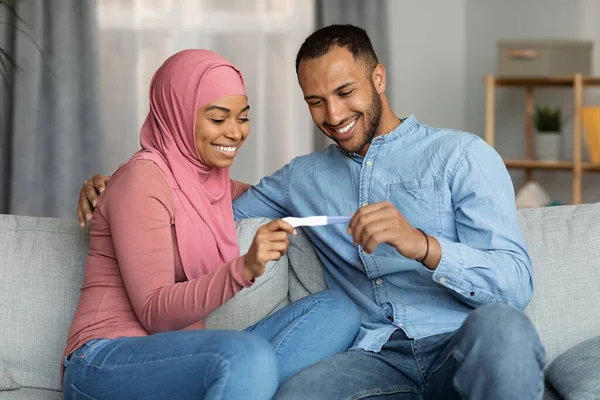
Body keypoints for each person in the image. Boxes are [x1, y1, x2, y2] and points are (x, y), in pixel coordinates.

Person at [78, 25, 546, 399]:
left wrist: (422, 245)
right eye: (315, 101)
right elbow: (197, 202)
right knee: (297, 390)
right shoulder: (301, 178)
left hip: (457, 344)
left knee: (505, 328)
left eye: (345, 92)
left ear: (378, 79)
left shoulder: (462, 156)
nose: (334, 114)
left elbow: (515, 286)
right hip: (373, 356)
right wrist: (115, 188)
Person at [63, 49, 361, 400]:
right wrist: (244, 268)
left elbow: (277, 197)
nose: (235, 133)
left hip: (182, 360)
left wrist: (353, 208)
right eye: (218, 120)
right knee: (246, 357)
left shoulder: (212, 184)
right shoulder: (140, 181)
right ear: (177, 115)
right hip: (105, 363)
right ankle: (244, 380)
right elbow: (155, 314)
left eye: (242, 118)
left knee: (337, 313)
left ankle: (240, 386)